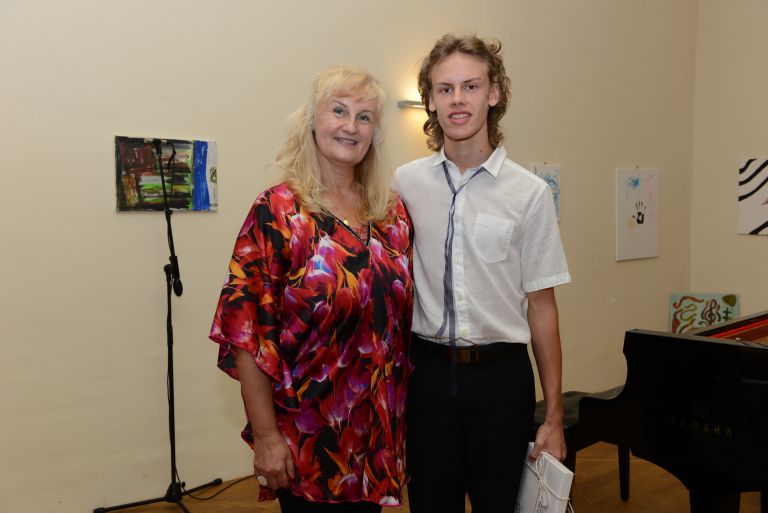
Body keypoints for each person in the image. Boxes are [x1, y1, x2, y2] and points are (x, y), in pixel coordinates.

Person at [210, 65, 413, 513]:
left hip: (376, 439)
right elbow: (246, 335)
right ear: (312, 121)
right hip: (310, 440)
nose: (350, 125)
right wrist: (266, 437)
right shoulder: (277, 212)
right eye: (338, 110)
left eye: (364, 117)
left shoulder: (391, 215)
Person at [393, 34, 571, 513]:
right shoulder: (404, 184)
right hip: (427, 376)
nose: (457, 99)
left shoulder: (529, 194)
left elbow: (542, 306)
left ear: (493, 94)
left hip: (501, 381)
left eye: (470, 86)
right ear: (430, 100)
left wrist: (553, 416)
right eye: (445, 88)